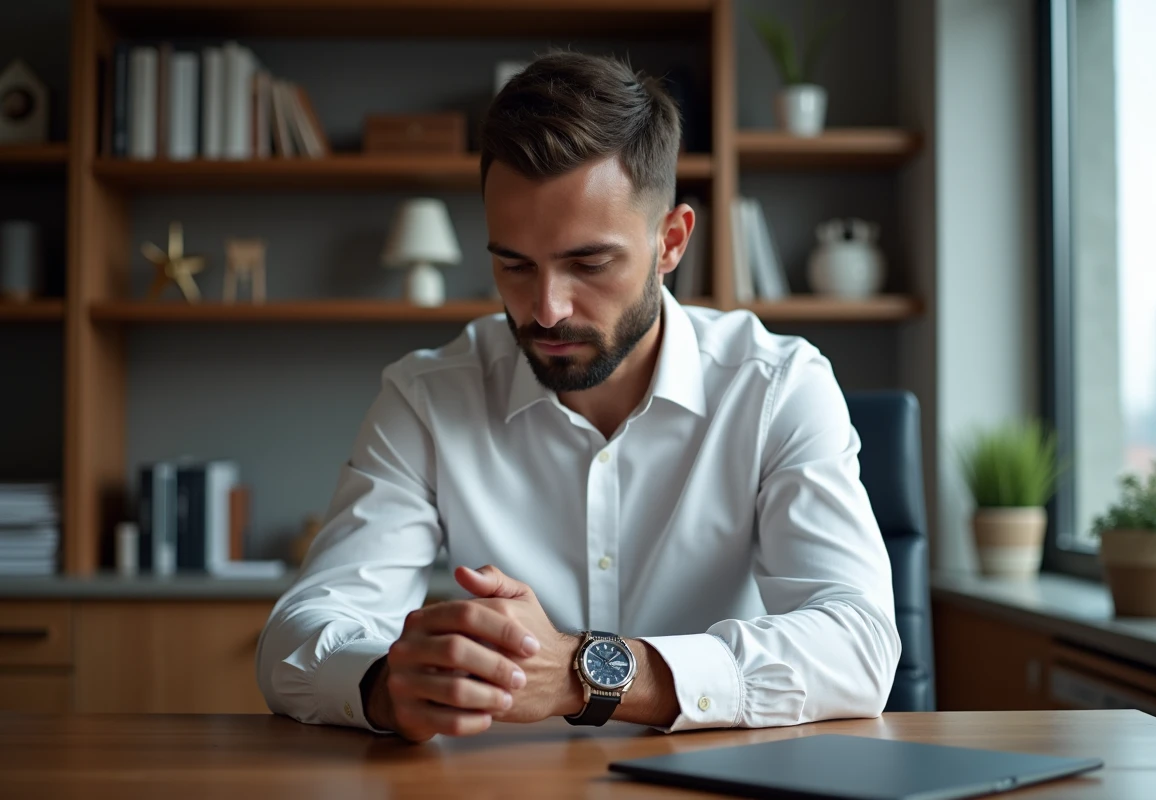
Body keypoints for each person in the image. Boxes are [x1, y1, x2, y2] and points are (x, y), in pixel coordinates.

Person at [256, 51, 900, 742]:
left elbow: (859, 646)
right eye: (514, 264)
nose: (546, 309)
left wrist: (586, 672)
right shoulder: (426, 396)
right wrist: (388, 684)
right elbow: (296, 638)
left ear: (671, 242)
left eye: (588, 263)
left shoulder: (778, 386)